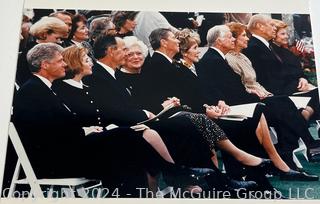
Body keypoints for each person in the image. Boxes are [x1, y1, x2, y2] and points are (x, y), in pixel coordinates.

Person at [11, 43, 213, 196]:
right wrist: (86, 131)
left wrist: (88, 130)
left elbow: (58, 126)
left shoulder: (40, 89)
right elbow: (47, 133)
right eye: (60, 61)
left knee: (130, 139)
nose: (65, 64)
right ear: (45, 65)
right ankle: (176, 175)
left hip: (69, 150)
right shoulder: (33, 92)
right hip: (58, 160)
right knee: (128, 137)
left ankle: (170, 179)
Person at [83, 34, 268, 193]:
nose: (127, 53)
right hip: (128, 129)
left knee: (192, 122)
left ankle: (219, 179)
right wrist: (145, 113)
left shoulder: (108, 74)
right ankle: (223, 171)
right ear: (110, 51)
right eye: (124, 49)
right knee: (189, 121)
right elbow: (111, 111)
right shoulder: (98, 76)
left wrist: (158, 109)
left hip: (142, 122)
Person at [196, 24, 320, 176]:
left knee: (283, 106)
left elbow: (232, 88)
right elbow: (229, 92)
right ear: (219, 41)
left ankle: (289, 155)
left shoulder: (215, 58)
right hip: (237, 107)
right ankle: (300, 148)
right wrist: (255, 96)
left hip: (243, 102)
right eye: (230, 37)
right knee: (282, 105)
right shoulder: (212, 60)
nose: (233, 39)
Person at [242, 14, 320, 162]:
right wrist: (294, 85)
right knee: (312, 96)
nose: (273, 28)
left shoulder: (267, 46)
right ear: (260, 26)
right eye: (271, 25)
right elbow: (267, 78)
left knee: (315, 94)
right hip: (275, 93)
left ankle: (305, 125)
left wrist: (300, 79)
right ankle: (306, 140)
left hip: (283, 91)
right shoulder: (253, 47)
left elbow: (284, 71)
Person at [271, 19, 319, 121]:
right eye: (282, 34)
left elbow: (298, 71)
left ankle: (306, 115)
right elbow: (283, 75)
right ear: (273, 35)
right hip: (287, 89)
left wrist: (303, 78)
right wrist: (298, 82)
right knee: (316, 95)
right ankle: (304, 117)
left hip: (299, 85)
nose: (286, 36)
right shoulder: (272, 53)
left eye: (287, 33)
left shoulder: (286, 51)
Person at [16, 16, 69, 87]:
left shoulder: (53, 50)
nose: (59, 41)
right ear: (44, 34)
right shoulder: (31, 52)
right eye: (57, 38)